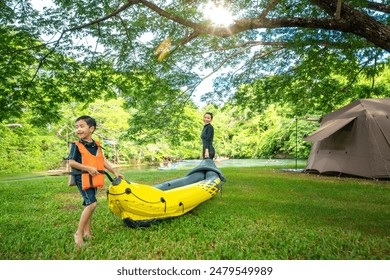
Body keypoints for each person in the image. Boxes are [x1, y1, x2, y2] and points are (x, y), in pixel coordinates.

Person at [67, 115, 124, 246]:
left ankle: (87, 232)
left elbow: (101, 161)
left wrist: (114, 171)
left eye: (82, 126)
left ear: (91, 128)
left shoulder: (96, 145)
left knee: (89, 204)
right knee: (92, 204)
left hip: (94, 178)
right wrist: (87, 168)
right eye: (76, 127)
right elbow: (71, 162)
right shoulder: (76, 145)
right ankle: (78, 233)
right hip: (82, 177)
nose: (78, 130)